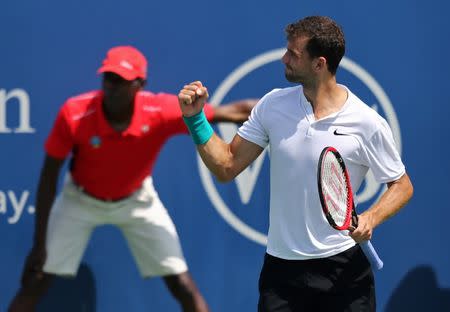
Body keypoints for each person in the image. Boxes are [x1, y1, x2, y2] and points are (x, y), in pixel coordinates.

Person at [178, 16, 414, 312]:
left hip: (344, 272)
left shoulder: (367, 122)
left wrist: (371, 218)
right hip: (282, 273)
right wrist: (196, 119)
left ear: (320, 64)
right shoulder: (272, 105)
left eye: (294, 54)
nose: (284, 58)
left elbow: (402, 185)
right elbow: (226, 166)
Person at [8, 45, 257, 312]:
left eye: (122, 81)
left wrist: (285, 109)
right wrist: (39, 243)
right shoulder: (75, 113)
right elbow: (48, 176)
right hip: (79, 200)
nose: (112, 87)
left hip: (137, 200)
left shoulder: (159, 110)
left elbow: (233, 111)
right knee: (37, 279)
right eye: (109, 78)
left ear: (140, 84)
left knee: (182, 284)